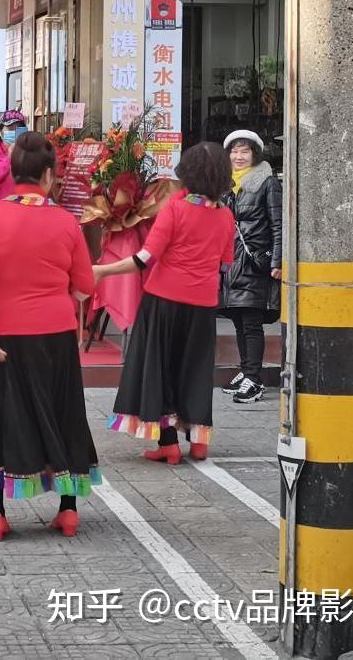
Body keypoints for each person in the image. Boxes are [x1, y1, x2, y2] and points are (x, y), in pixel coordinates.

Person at [0, 131, 99, 542]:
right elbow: (84, 286)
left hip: (2, 332)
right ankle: (68, 508)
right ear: (47, 175)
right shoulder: (65, 220)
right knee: (63, 412)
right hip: (55, 331)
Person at [100, 142, 235, 465]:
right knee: (196, 369)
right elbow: (225, 260)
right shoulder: (226, 216)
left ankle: (168, 443)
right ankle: (199, 441)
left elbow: (145, 259)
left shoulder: (174, 209)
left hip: (164, 300)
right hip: (203, 304)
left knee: (160, 370)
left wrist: (101, 270)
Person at [217, 130, 282, 405]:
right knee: (238, 320)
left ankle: (254, 379)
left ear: (255, 153)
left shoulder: (267, 183)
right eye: (234, 151)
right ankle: (246, 371)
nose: (239, 156)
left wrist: (277, 262)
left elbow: (279, 224)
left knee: (252, 322)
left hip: (256, 261)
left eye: (244, 151)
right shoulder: (225, 184)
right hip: (231, 262)